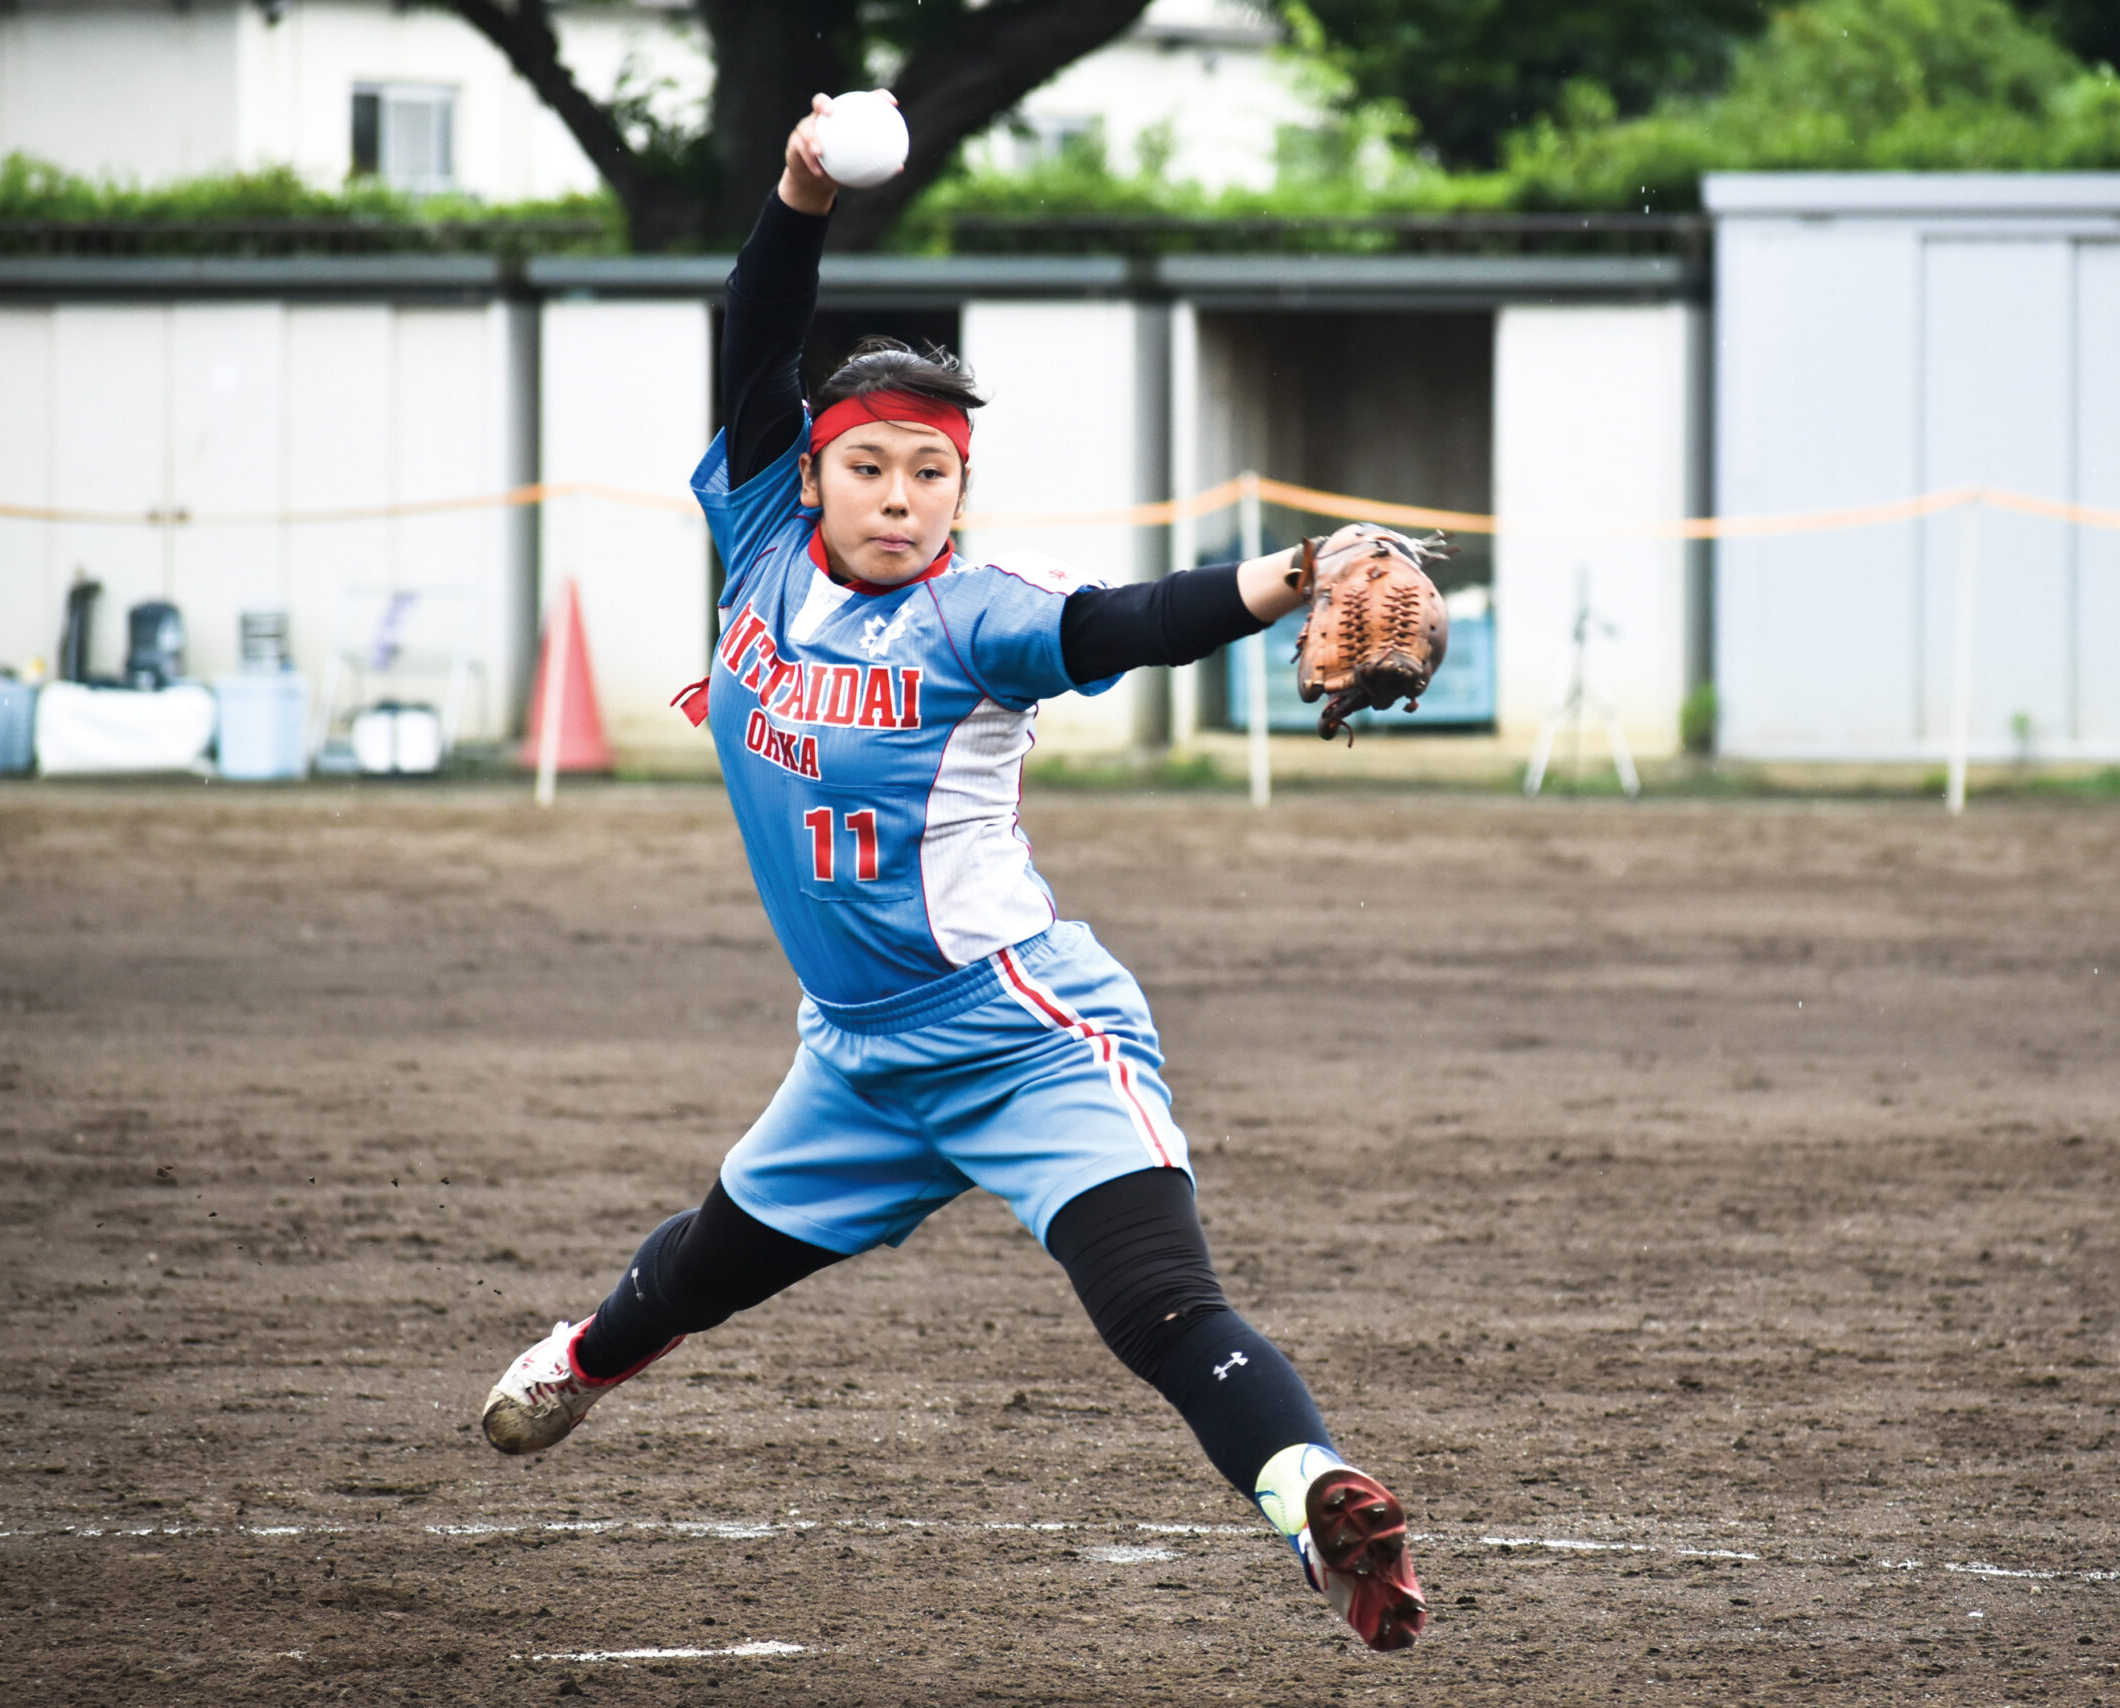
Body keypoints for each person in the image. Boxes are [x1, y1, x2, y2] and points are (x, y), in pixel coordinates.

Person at [477, 94, 1427, 1654]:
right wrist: (798, 194)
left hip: (1018, 1036)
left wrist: (1294, 572)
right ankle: (584, 1360)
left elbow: (1126, 622)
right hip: (854, 1061)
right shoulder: (761, 541)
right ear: (818, 478)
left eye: (932, 471)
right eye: (874, 468)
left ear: (960, 493)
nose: (902, 495)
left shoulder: (978, 614)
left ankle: (1316, 1501)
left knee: (1159, 1309)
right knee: (701, 1272)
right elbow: (755, 336)